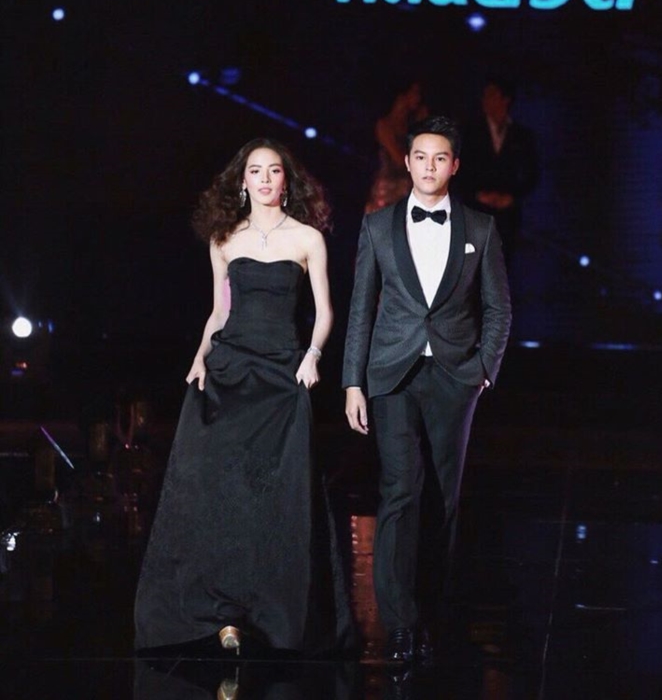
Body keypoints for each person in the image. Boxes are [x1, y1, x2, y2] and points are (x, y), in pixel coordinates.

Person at [134, 137, 354, 655]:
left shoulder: (307, 238)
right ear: (242, 181)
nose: (265, 179)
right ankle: (222, 609)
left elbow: (325, 311)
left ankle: (269, 611)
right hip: (231, 369)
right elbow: (219, 312)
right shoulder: (224, 238)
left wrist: (313, 355)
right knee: (219, 488)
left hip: (281, 375)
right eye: (255, 171)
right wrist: (199, 357)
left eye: (274, 170)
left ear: (286, 180)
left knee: (277, 491)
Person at [343, 115, 511, 663]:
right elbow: (361, 309)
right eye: (420, 157)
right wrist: (352, 381)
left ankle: (431, 612)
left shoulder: (480, 228)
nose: (429, 166)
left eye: (440, 158)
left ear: (454, 165)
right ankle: (398, 621)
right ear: (408, 161)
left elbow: (499, 308)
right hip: (392, 374)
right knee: (400, 491)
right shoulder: (378, 226)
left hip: (455, 377)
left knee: (443, 499)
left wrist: (484, 368)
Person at [454, 77, 539, 262]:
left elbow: (532, 173)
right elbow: (458, 169)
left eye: (492, 95)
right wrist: (476, 194)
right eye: (485, 95)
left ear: (505, 99)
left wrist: (512, 197)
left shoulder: (521, 136)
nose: (486, 100)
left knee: (502, 263)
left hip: (506, 216)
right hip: (476, 211)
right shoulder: (470, 131)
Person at [365, 80, 429, 213]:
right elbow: (400, 160)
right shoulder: (385, 125)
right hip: (386, 193)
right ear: (402, 96)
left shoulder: (410, 126)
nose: (418, 98)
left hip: (406, 192)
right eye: (415, 93)